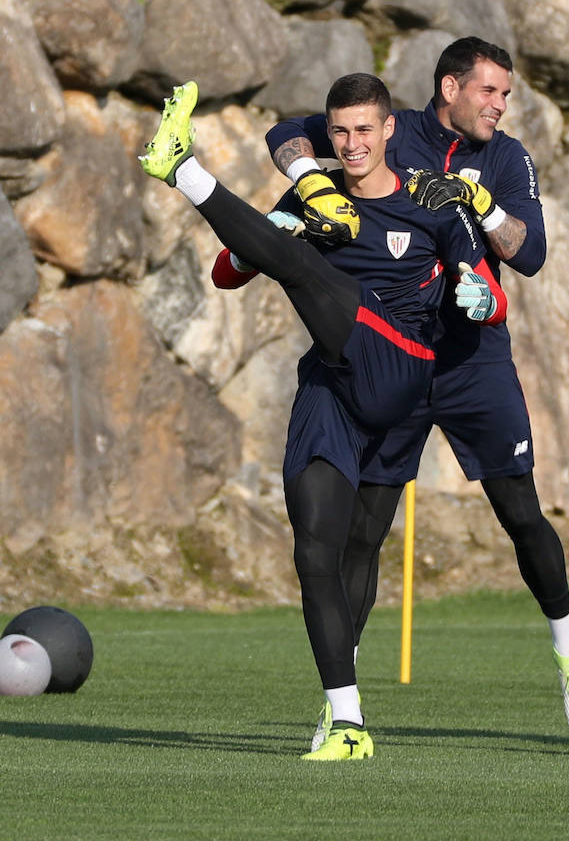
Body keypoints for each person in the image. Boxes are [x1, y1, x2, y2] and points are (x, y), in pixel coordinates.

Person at [139, 73, 506, 760]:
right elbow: (227, 273)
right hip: (332, 383)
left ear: (389, 129)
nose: (352, 143)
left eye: (365, 129)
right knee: (316, 552)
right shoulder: (315, 192)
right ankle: (346, 723)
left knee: (315, 278)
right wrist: (260, 241)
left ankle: (182, 169)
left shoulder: (430, 198)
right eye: (339, 131)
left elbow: (488, 285)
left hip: (400, 368)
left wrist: (482, 300)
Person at [265, 36, 569, 743]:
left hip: (473, 360)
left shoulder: (506, 158)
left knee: (520, 513)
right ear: (450, 88)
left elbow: (530, 253)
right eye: (490, 91)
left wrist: (482, 206)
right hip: (391, 358)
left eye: (505, 93)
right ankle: (342, 701)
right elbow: (287, 133)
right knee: (364, 531)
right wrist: (311, 183)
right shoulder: (391, 128)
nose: (500, 105)